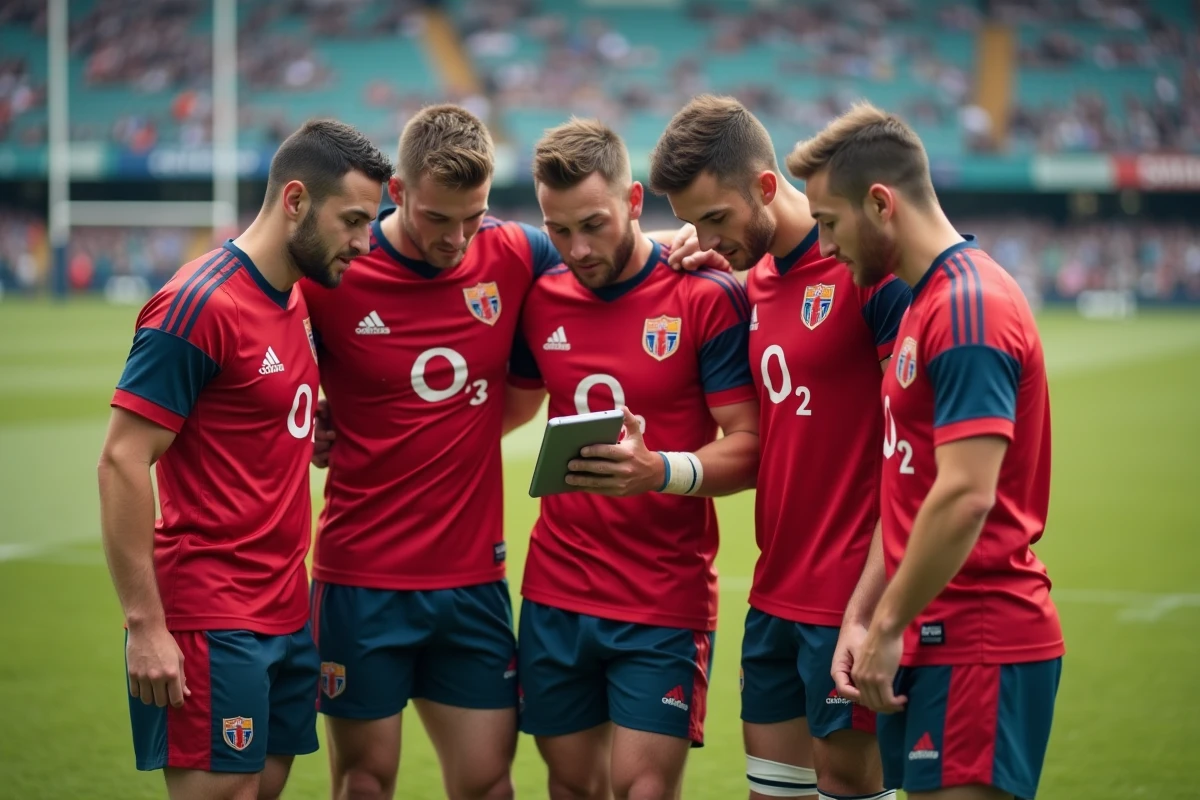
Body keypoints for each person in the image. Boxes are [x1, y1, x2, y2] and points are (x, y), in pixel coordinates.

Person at [97, 119, 392, 800]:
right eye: (352, 220)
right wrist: (145, 625)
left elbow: (249, 413)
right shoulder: (199, 304)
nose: (365, 240)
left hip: (286, 609)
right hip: (211, 614)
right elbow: (121, 459)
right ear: (295, 200)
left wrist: (306, 429)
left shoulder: (297, 296)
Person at [788, 101, 1064, 800]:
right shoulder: (923, 301)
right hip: (931, 635)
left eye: (829, 223)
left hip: (978, 639)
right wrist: (864, 617)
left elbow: (965, 495)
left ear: (880, 203)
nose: (824, 247)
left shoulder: (970, 307)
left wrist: (886, 624)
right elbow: (910, 491)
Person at [648, 94, 908, 800]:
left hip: (852, 595)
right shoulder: (751, 282)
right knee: (772, 792)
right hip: (774, 592)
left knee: (850, 783)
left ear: (765, 186)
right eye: (693, 223)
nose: (707, 237)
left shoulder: (867, 273)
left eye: (716, 217)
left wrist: (877, 608)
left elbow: (918, 451)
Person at [301, 104, 560, 800]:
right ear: (398, 192)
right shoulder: (335, 272)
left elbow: (610, 253)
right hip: (361, 578)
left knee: (488, 785)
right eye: (437, 218)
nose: (457, 238)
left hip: (472, 580)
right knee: (364, 782)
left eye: (473, 216)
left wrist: (683, 238)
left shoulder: (516, 252)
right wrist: (309, 427)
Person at [508, 117, 760, 800]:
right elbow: (500, 407)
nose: (578, 248)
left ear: (634, 200)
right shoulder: (540, 296)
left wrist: (662, 471)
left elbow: (750, 444)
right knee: (571, 786)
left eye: (594, 224)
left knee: (643, 788)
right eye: (559, 230)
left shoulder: (705, 295)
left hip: (662, 597)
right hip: (556, 591)